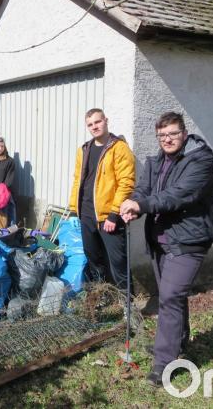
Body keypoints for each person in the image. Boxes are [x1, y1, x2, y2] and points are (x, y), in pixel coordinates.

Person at [119, 111, 213, 388]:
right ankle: (176, 341)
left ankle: (165, 363)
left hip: (188, 241)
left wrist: (143, 205)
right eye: (162, 135)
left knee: (171, 297)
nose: (167, 139)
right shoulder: (156, 162)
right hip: (161, 239)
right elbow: (143, 191)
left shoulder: (200, 160)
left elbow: (180, 195)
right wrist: (133, 206)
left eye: (173, 133)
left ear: (184, 134)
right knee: (170, 295)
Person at [68, 108, 136, 290]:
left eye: (97, 122)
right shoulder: (84, 150)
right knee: (93, 259)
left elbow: (126, 183)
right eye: (90, 124)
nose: (94, 127)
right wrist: (74, 210)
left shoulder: (119, 148)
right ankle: (101, 299)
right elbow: (77, 180)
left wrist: (114, 214)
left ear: (106, 120)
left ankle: (128, 308)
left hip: (108, 217)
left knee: (118, 262)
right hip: (87, 214)